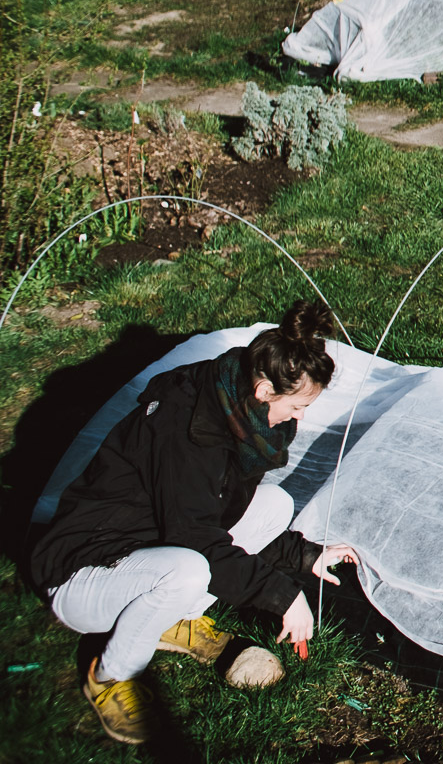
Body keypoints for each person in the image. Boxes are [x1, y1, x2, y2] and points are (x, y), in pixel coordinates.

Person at [30, 300, 359, 744]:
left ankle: (173, 619)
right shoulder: (186, 426)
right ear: (264, 391)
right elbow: (196, 536)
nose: (301, 417)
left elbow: (218, 513)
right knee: (188, 571)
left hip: (145, 542)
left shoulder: (234, 408)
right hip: (84, 569)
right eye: (298, 406)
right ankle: (110, 674)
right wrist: (284, 596)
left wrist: (306, 556)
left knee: (274, 503)